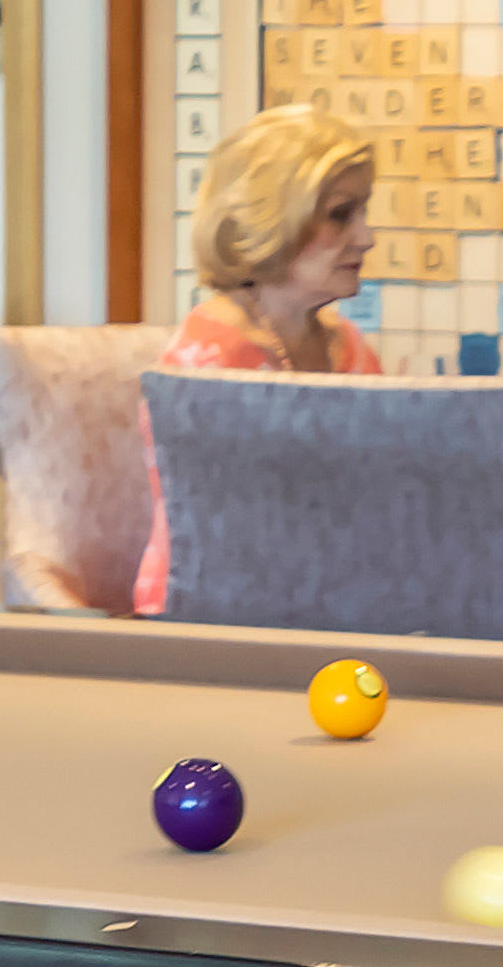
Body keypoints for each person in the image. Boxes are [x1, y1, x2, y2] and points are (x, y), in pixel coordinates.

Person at [131, 103, 379, 617]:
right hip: (209, 622)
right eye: (340, 214)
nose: (367, 237)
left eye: (363, 211)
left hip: (327, 610)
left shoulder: (350, 349)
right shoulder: (207, 360)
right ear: (273, 219)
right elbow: (226, 545)